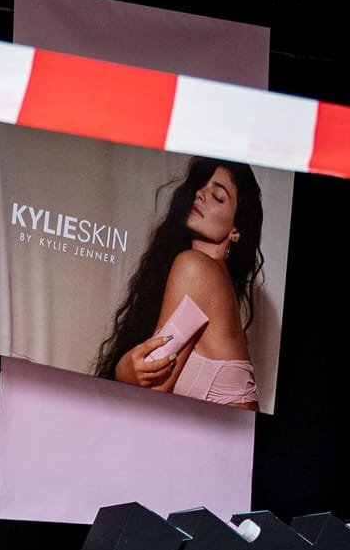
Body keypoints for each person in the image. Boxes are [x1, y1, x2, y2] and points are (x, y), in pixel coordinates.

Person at [95, 158, 265, 409]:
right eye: (201, 186)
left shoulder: (196, 267)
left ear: (235, 231)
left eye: (218, 196)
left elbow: (154, 385)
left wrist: (123, 370)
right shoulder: (214, 277)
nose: (200, 194)